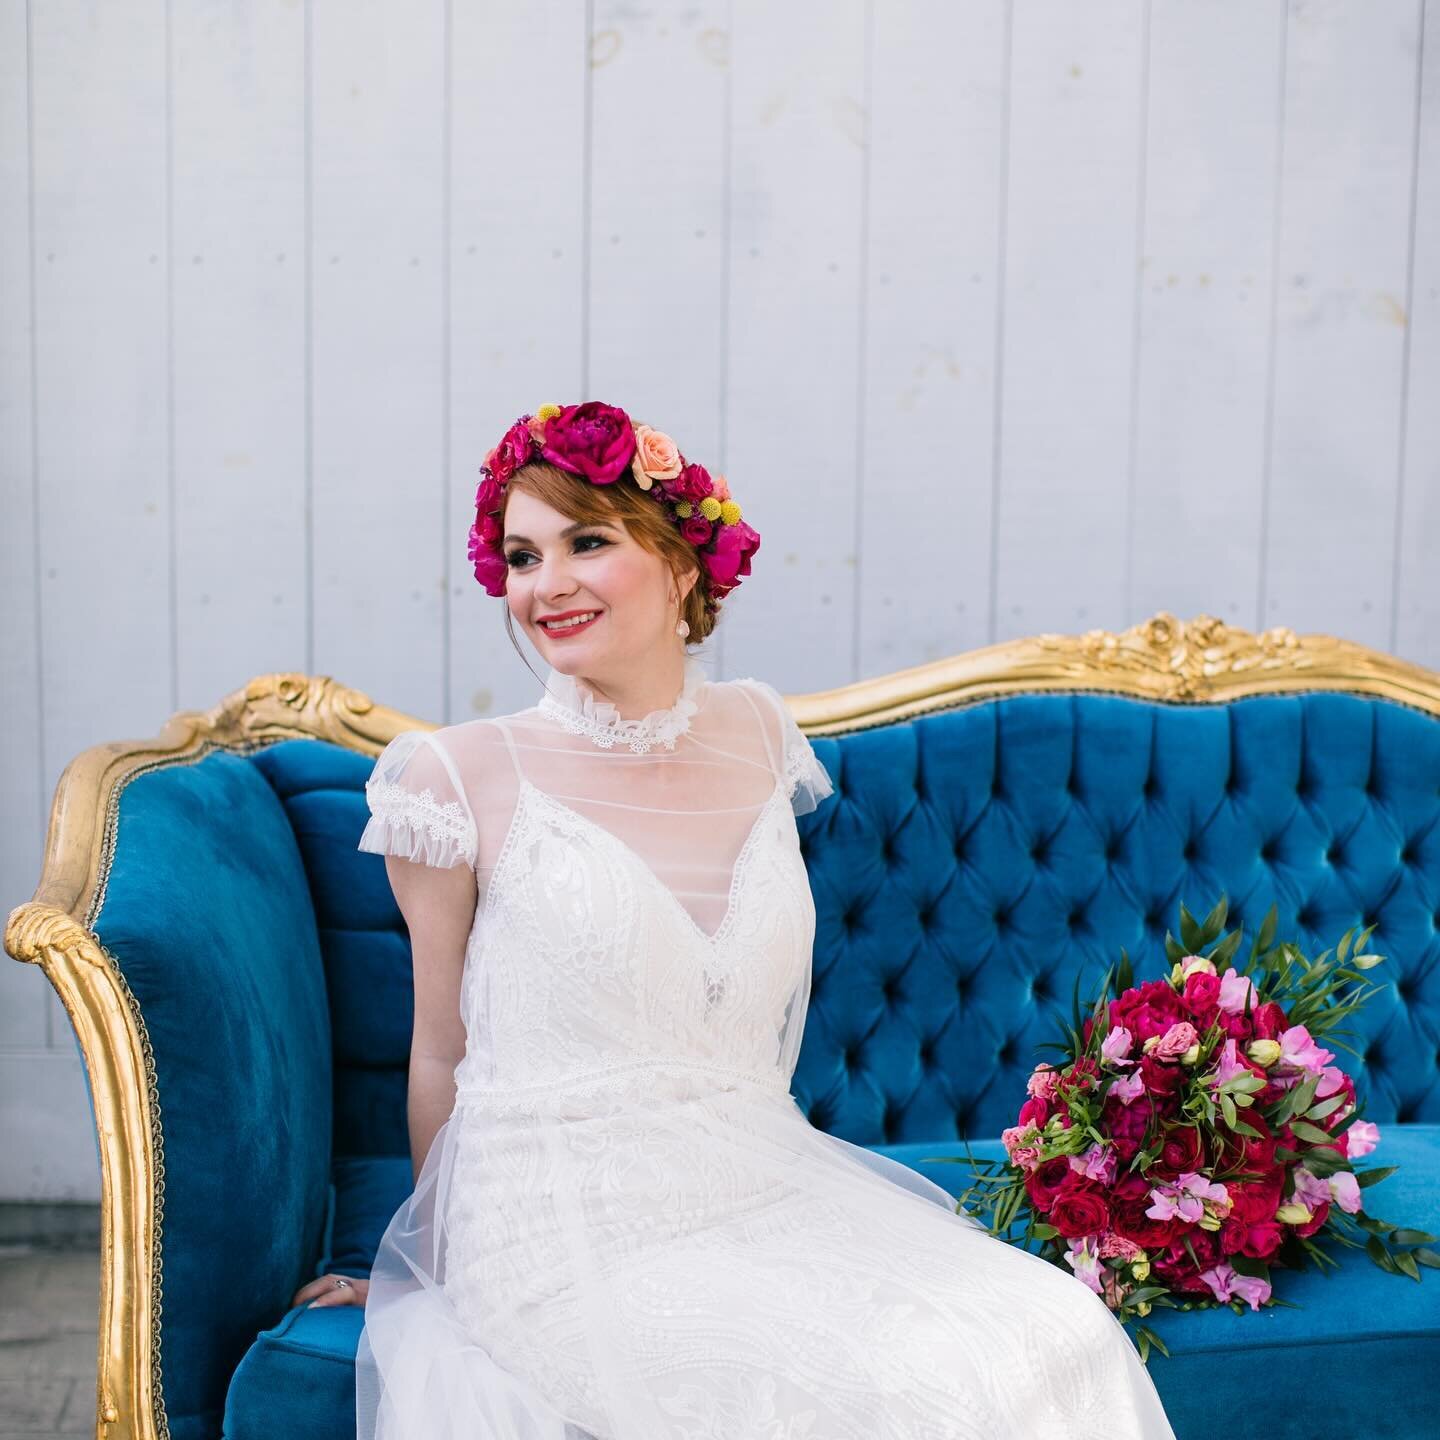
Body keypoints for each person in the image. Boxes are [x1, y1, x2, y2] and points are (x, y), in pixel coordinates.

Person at [297, 401, 1179, 1438]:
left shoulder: (759, 732)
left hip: (751, 1178)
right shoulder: (457, 779)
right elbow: (439, 1050)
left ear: (680, 563)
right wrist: (430, 1273)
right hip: (551, 1220)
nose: (547, 584)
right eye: (522, 556)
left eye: (588, 541)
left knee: (1056, 1330)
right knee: (871, 1391)